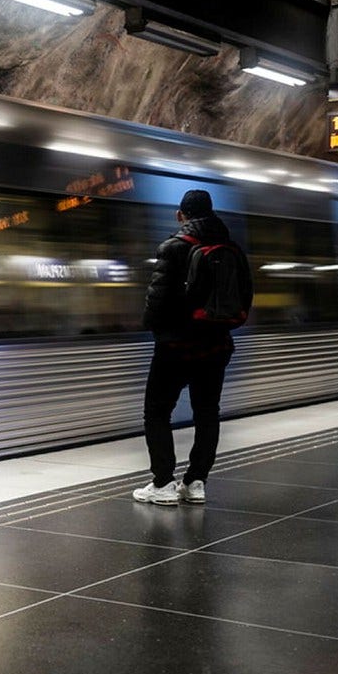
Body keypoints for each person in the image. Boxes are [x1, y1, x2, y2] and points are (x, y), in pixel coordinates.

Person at [133, 188, 239, 506]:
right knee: (207, 412)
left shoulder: (173, 248)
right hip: (216, 346)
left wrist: (156, 328)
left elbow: (156, 301)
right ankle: (195, 483)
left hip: (175, 348)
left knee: (157, 411)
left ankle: (163, 483)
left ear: (181, 215)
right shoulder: (231, 248)